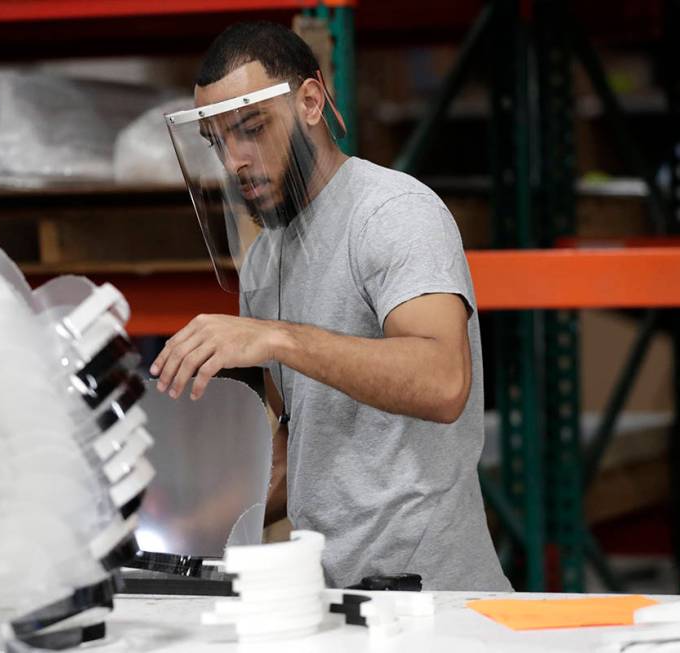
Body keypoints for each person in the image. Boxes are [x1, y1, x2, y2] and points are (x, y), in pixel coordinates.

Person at [150, 21, 510, 591]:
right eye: (217, 140)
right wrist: (179, 529)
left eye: (251, 128)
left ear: (311, 102)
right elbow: (305, 452)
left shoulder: (392, 212)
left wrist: (278, 337)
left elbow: (443, 382)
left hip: (434, 602)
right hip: (337, 600)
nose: (235, 159)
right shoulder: (267, 262)